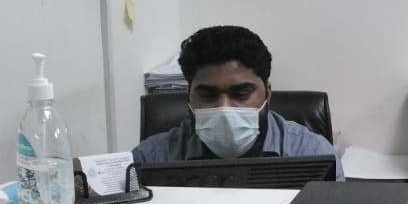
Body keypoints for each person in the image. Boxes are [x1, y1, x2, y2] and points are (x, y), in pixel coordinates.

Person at [132, 25, 343, 180]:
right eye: (208, 95)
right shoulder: (149, 160)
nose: (224, 107)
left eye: (241, 94)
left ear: (268, 93)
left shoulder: (313, 154)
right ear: (188, 96)